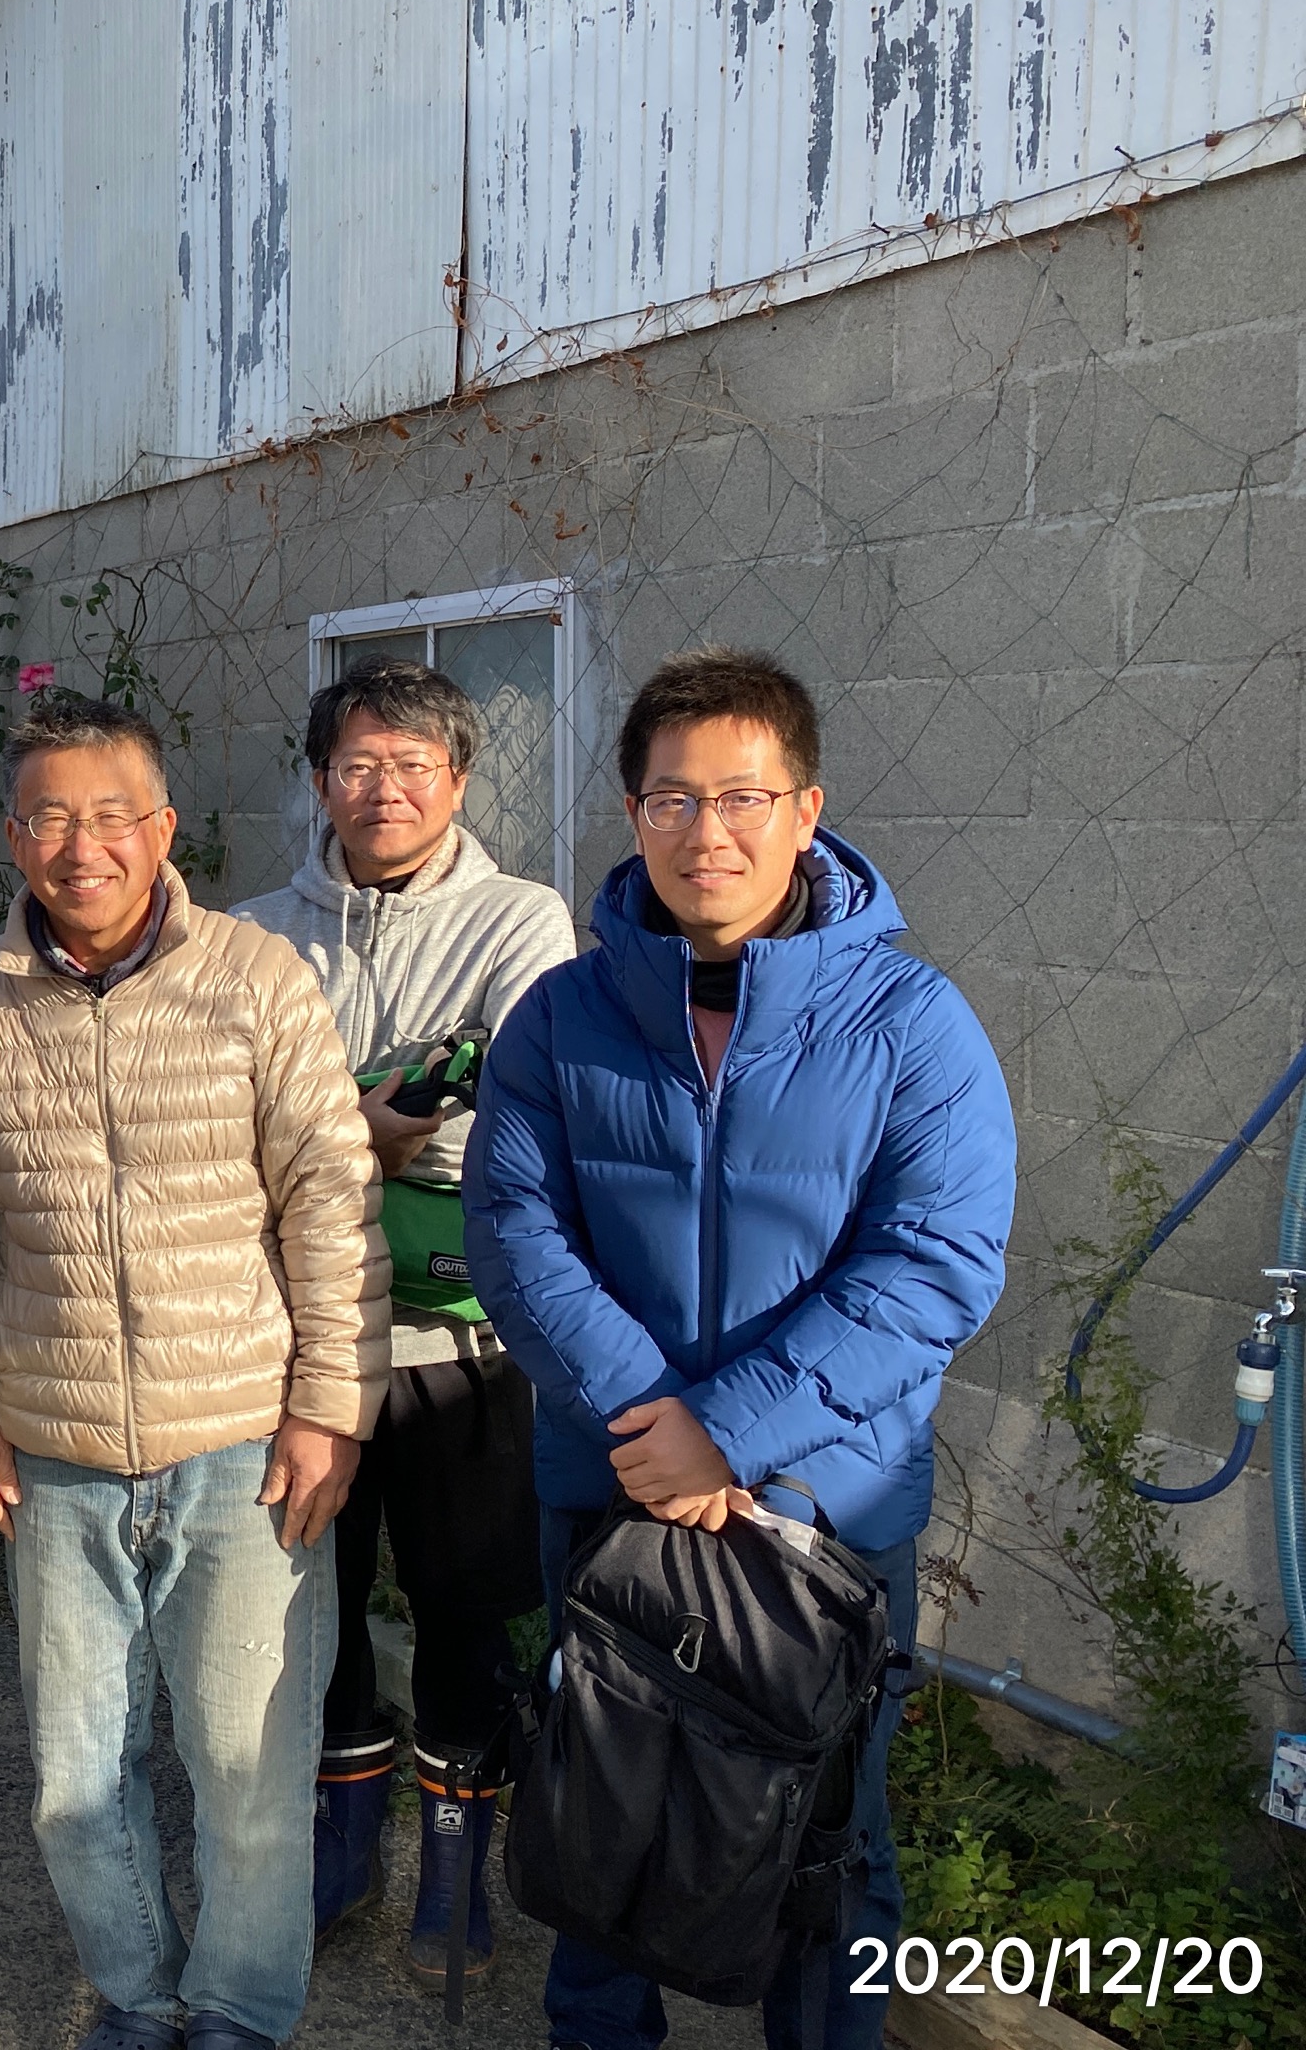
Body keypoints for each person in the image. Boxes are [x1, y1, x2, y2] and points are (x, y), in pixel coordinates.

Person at [467, 649, 1013, 2050]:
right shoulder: (563, 1018)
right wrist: (655, 1420)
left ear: (806, 808)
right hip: (616, 1484)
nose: (707, 831)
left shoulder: (912, 1025)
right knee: (598, 1802)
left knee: (827, 1838)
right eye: (673, 797)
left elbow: (936, 1261)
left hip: (827, 1507)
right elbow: (515, 1231)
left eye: (743, 796)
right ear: (633, 812)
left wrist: (734, 1431)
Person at [0, 693, 385, 2050]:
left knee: (248, 1772)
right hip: (52, 1453)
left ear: (163, 827)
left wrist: (330, 1409)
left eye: (112, 815)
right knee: (75, 1778)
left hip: (242, 1445)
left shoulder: (255, 977)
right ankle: (138, 1992)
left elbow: (331, 1202)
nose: (84, 846)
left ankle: (236, 2012)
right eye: (51, 818)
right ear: (14, 837)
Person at [228, 655, 575, 1983]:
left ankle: (454, 1864)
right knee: (302, 1603)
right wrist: (389, 1109)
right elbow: (226, 1123)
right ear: (321, 780)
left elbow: (520, 1112)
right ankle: (341, 1844)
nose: (385, 789)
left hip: (457, 1344)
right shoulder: (254, 934)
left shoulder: (521, 919)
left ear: (459, 780)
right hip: (295, 1342)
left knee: (464, 1608)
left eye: (413, 765)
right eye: (359, 764)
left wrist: (335, 1129)